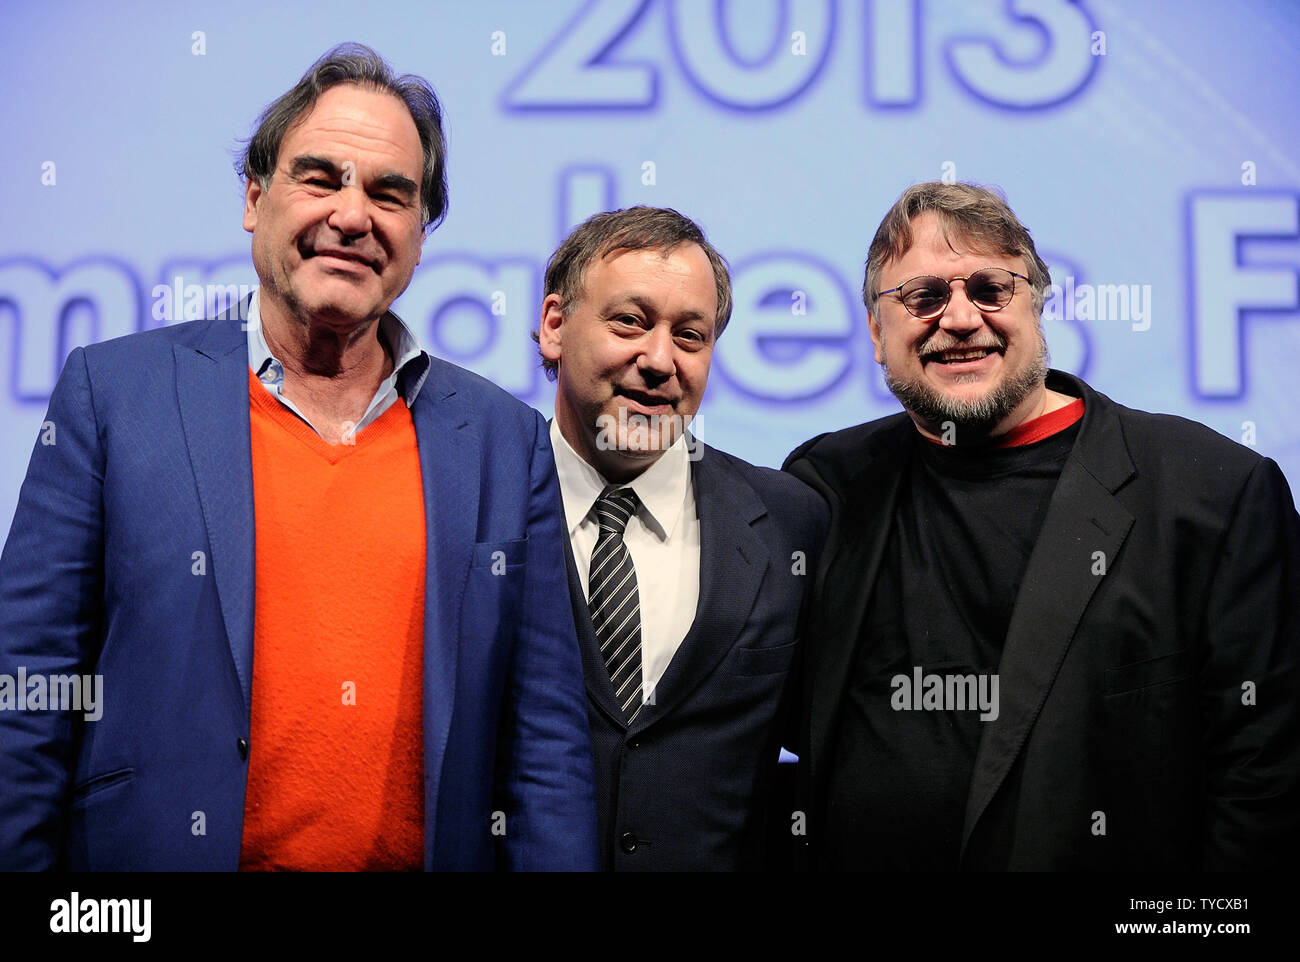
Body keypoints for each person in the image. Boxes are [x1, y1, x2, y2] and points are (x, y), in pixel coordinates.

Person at [0, 43, 597, 871]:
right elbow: (27, 699)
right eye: (321, 178)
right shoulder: (113, 395)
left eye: (391, 194)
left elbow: (546, 747)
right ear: (254, 197)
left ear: (420, 237)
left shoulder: (504, 440)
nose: (353, 216)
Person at [784, 181, 1300, 870]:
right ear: (878, 334)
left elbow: (1266, 782)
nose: (960, 318)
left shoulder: (1214, 492)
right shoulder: (826, 486)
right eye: (924, 297)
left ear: (1038, 306)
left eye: (992, 289)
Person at [535, 206, 828, 870]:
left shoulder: (789, 521)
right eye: (630, 322)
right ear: (555, 325)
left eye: (690, 336)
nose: (660, 360)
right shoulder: (480, 504)